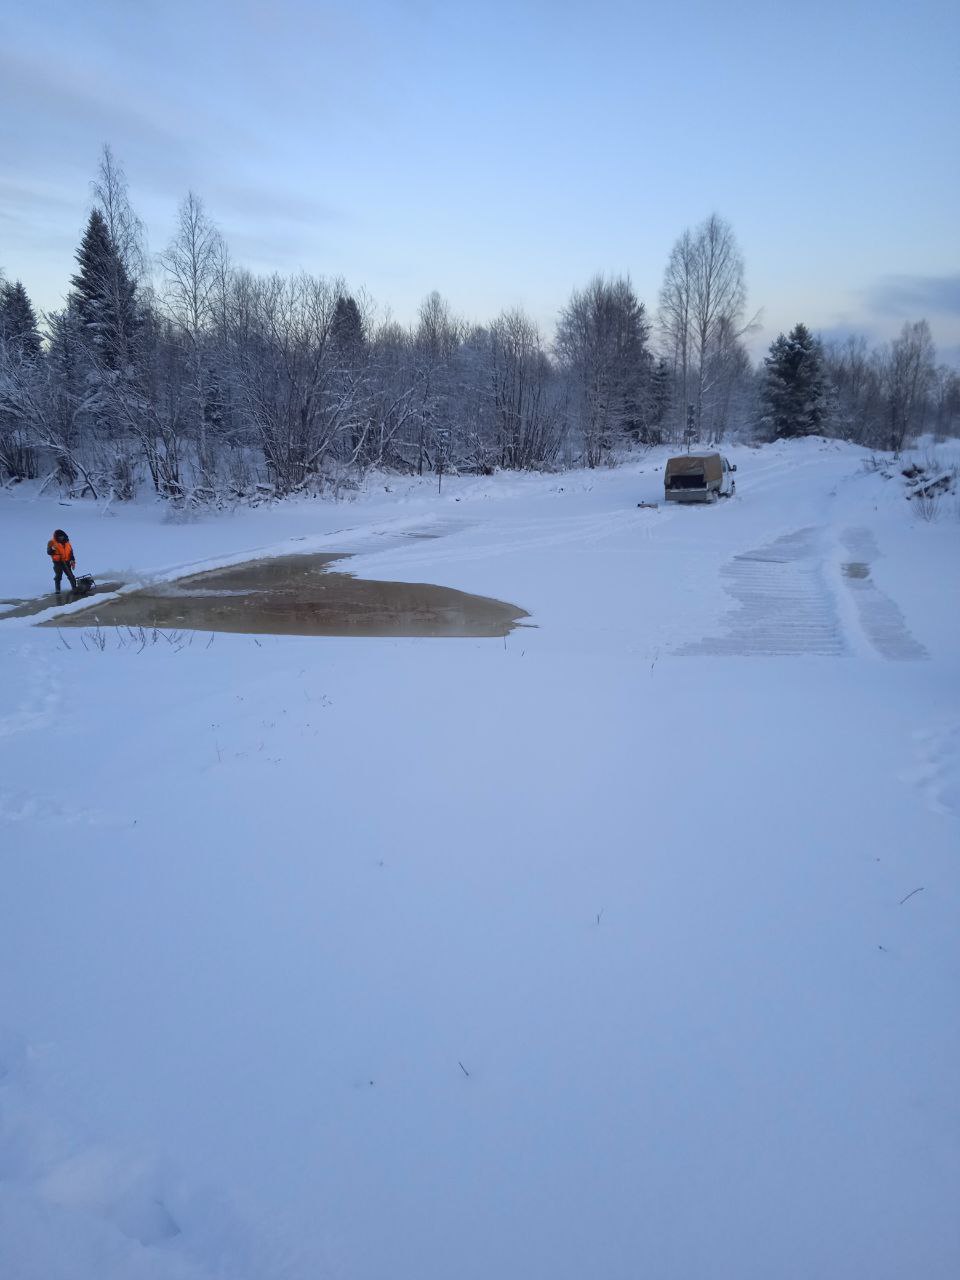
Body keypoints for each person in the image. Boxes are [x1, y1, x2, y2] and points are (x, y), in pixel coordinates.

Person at [47, 529, 77, 594]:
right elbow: (49, 552)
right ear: (57, 537)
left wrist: (72, 560)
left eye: (62, 536)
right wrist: (52, 549)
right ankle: (57, 590)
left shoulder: (67, 543)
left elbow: (71, 552)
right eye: (59, 537)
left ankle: (74, 588)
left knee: (70, 575)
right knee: (58, 575)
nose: (61, 538)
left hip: (66, 561)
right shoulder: (51, 542)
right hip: (58, 562)